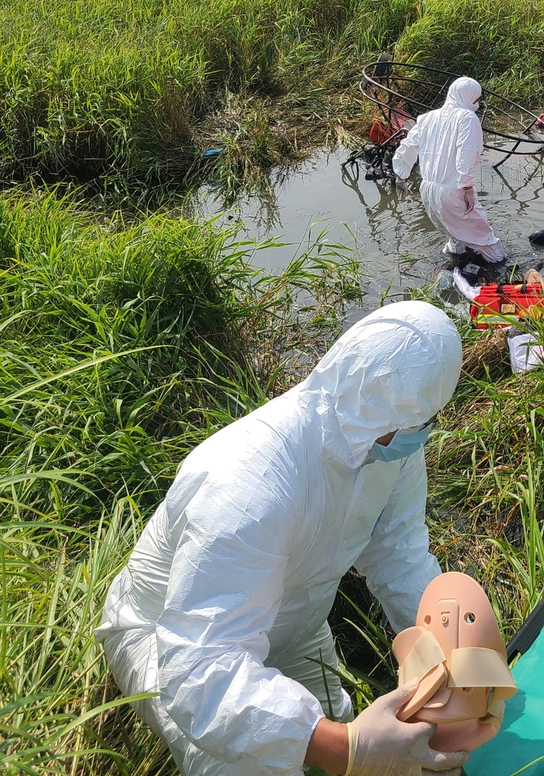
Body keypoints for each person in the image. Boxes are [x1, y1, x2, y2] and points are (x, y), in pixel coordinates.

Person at [96, 301, 468, 776]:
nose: (420, 433)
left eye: (425, 419)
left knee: (341, 722)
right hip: (168, 640)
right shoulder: (249, 480)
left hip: (296, 627)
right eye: (415, 421)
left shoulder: (390, 449)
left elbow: (400, 554)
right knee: (255, 765)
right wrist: (347, 749)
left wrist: (451, 653)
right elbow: (199, 666)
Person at [392, 77, 506, 264]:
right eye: (476, 99)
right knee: (484, 237)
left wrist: (401, 176)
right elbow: (466, 155)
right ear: (468, 97)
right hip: (454, 190)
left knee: (452, 232)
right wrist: (467, 188)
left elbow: (408, 146)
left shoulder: (427, 118)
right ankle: (499, 267)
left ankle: (456, 261)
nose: (476, 104)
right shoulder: (467, 119)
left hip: (428, 190)